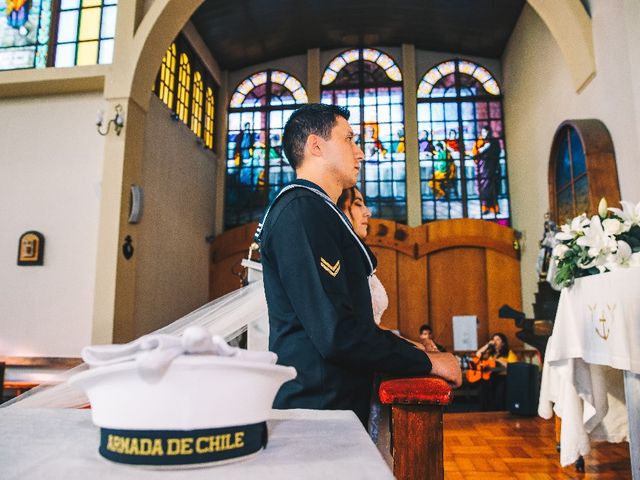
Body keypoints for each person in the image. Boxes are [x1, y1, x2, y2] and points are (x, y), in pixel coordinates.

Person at [256, 103, 461, 426]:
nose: (360, 152)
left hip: (335, 405)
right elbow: (337, 332)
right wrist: (427, 363)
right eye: (349, 139)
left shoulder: (321, 211)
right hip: (316, 410)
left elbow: (352, 322)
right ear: (316, 145)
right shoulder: (301, 210)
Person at [475, 332, 518, 411]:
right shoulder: (490, 353)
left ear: (503, 343)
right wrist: (487, 345)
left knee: (500, 389)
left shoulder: (509, 353)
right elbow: (478, 354)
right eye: (493, 340)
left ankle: (499, 410)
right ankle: (486, 410)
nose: (495, 342)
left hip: (502, 377)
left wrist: (499, 360)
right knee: (482, 386)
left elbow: (512, 367)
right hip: (491, 377)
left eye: (497, 340)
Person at [472, 126, 502, 215]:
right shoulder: (479, 142)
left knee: (493, 187)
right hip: (482, 169)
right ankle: (484, 207)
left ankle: (494, 208)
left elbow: (498, 153)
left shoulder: (495, 142)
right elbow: (474, 154)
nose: (486, 134)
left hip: (492, 167)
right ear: (481, 133)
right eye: (484, 132)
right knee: (483, 188)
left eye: (488, 133)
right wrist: (484, 148)